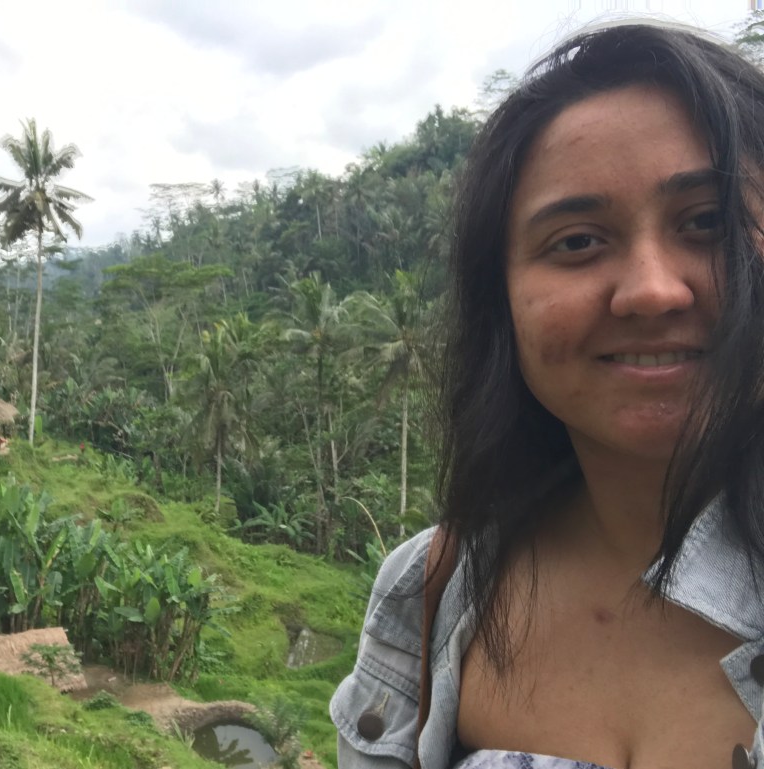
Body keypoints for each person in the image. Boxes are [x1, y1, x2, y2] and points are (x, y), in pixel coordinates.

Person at [331, 21, 764, 769]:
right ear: (502, 303)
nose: (653, 289)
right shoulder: (434, 589)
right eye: (577, 241)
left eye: (707, 223)